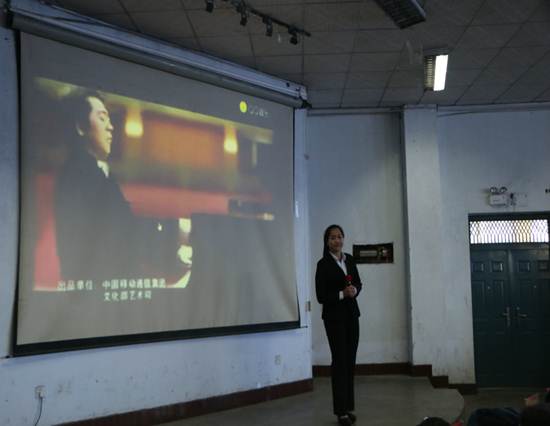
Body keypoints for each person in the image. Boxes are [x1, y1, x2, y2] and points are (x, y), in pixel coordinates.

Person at [54, 90, 181, 285]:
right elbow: (121, 236)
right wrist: (174, 231)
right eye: (102, 118)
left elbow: (124, 226)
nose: (111, 127)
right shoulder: (78, 177)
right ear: (80, 127)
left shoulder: (96, 172)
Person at [315, 224, 363, 425]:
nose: (337, 240)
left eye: (339, 236)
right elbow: (321, 296)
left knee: (350, 362)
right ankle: (340, 412)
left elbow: (358, 283)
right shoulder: (323, 264)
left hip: (352, 316)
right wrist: (342, 294)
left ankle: (348, 407)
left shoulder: (349, 259)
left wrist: (355, 290)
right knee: (340, 362)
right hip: (334, 319)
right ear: (327, 242)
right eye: (333, 237)